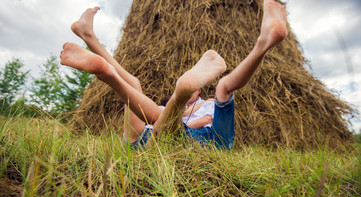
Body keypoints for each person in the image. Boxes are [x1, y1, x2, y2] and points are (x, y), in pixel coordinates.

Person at [60, 0, 288, 149]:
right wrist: (182, 114)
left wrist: (186, 114)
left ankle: (106, 68)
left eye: (196, 88)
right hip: (194, 140)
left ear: (199, 90)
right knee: (222, 88)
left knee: (157, 123)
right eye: (194, 88)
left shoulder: (205, 104)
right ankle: (261, 45)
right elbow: (165, 117)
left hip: (176, 136)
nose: (198, 90)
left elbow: (206, 119)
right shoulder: (175, 106)